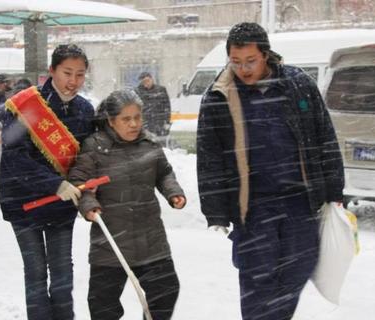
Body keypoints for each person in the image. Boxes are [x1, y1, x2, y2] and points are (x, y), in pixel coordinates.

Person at [196, 22, 345, 320]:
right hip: (253, 206)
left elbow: (323, 135)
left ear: (266, 55)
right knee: (257, 278)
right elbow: (209, 157)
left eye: (250, 61)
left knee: (299, 269)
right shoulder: (218, 96)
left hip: (299, 201)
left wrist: (334, 188)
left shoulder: (297, 83)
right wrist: (215, 209)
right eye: (235, 62)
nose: (243, 69)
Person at [68, 89, 186, 320]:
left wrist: (173, 193)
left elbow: (164, 174)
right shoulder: (95, 147)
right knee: (103, 304)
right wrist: (89, 204)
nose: (134, 124)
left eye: (137, 117)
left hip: (150, 237)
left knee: (166, 290)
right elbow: (79, 182)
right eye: (126, 119)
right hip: (111, 239)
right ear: (111, 121)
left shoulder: (149, 143)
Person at [0, 44, 95, 320]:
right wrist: (54, 184)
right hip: (23, 203)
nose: (73, 81)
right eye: (67, 73)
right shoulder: (25, 105)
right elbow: (15, 158)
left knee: (63, 273)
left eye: (80, 75)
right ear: (51, 71)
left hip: (61, 207)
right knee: (36, 271)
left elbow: (87, 158)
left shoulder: (85, 110)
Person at [135, 72, 172, 137]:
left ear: (152, 79)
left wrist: (167, 122)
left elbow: (167, 107)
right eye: (144, 82)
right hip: (145, 123)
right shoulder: (138, 92)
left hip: (160, 122)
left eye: (148, 80)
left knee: (161, 143)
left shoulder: (161, 90)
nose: (146, 83)